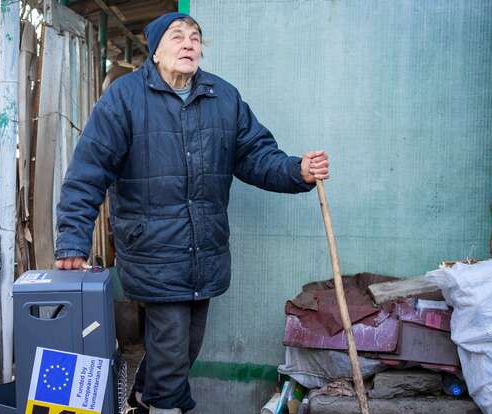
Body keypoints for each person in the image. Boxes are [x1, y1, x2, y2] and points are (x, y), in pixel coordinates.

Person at [54, 12, 330, 414]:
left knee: (184, 347)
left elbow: (255, 155)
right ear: (155, 49)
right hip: (153, 250)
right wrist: (72, 240)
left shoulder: (223, 97)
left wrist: (296, 170)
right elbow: (88, 172)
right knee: (170, 349)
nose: (189, 45)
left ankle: (142, 400)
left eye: (196, 38)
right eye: (177, 37)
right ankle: (166, 406)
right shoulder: (124, 98)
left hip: (205, 250)